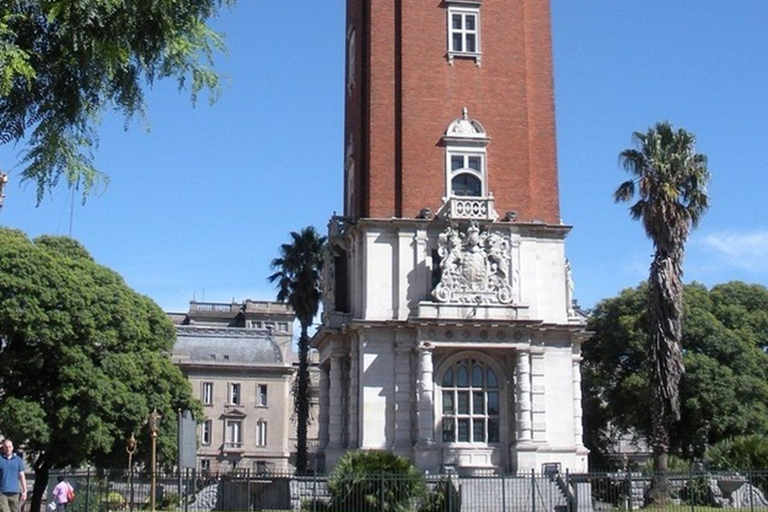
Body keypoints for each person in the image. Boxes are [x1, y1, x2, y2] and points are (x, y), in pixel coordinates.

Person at [0, 440, 27, 512]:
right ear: (3, 448)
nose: (8, 449)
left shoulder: (18, 460)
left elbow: (22, 475)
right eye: (6, 447)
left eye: (9, 447)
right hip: (2, 492)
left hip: (14, 492)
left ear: (12, 448)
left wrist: (25, 491)